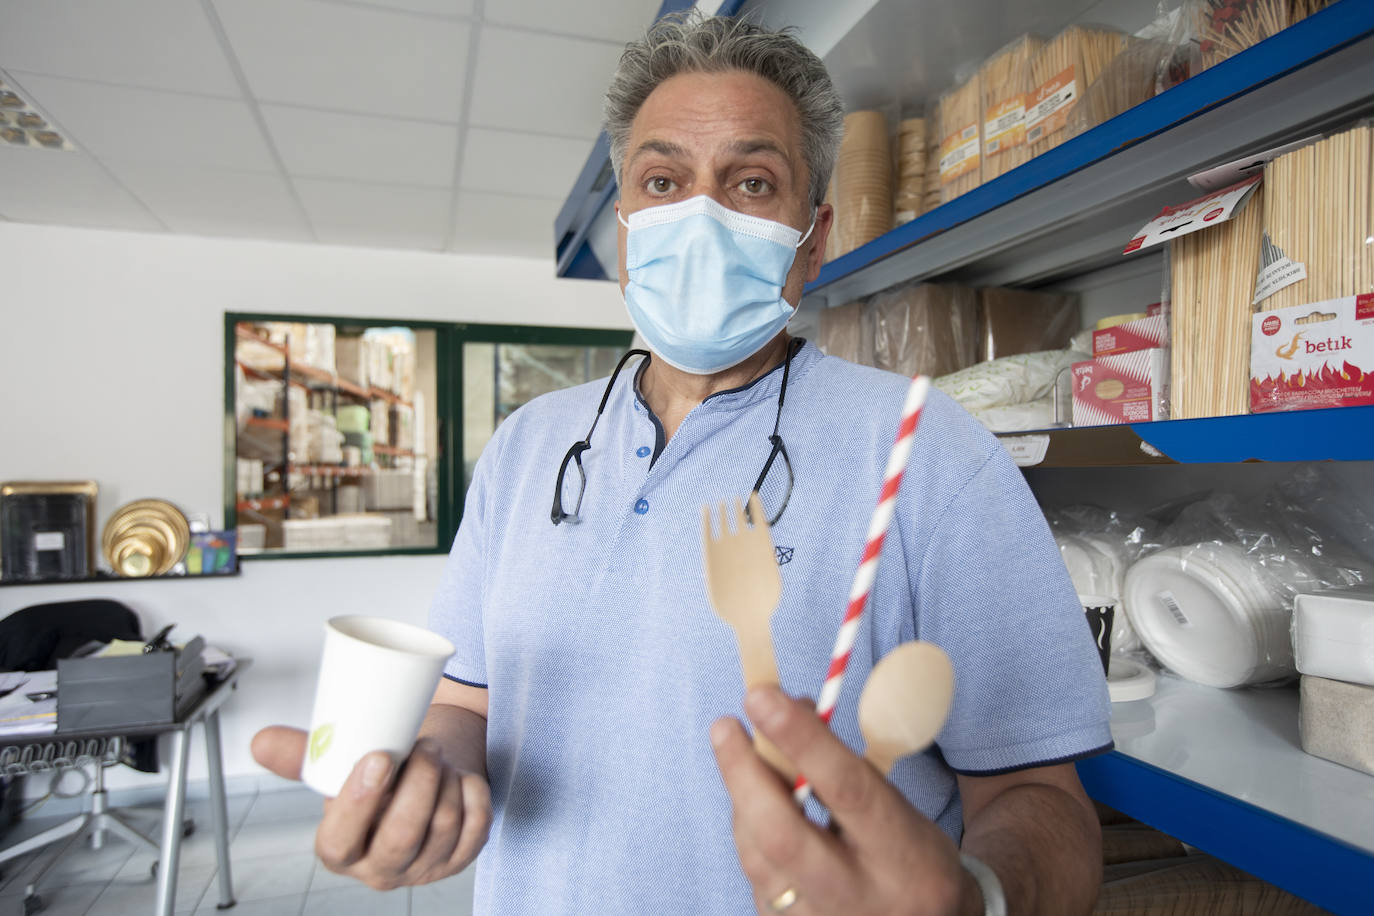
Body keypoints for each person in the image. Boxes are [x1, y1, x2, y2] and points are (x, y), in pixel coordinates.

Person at [253, 13, 1112, 915]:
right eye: (662, 180)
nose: (698, 215)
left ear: (811, 241)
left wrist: (976, 897)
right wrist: (432, 778)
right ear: (625, 228)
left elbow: (1040, 799)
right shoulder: (527, 448)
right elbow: (467, 707)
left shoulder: (925, 450)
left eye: (750, 181)